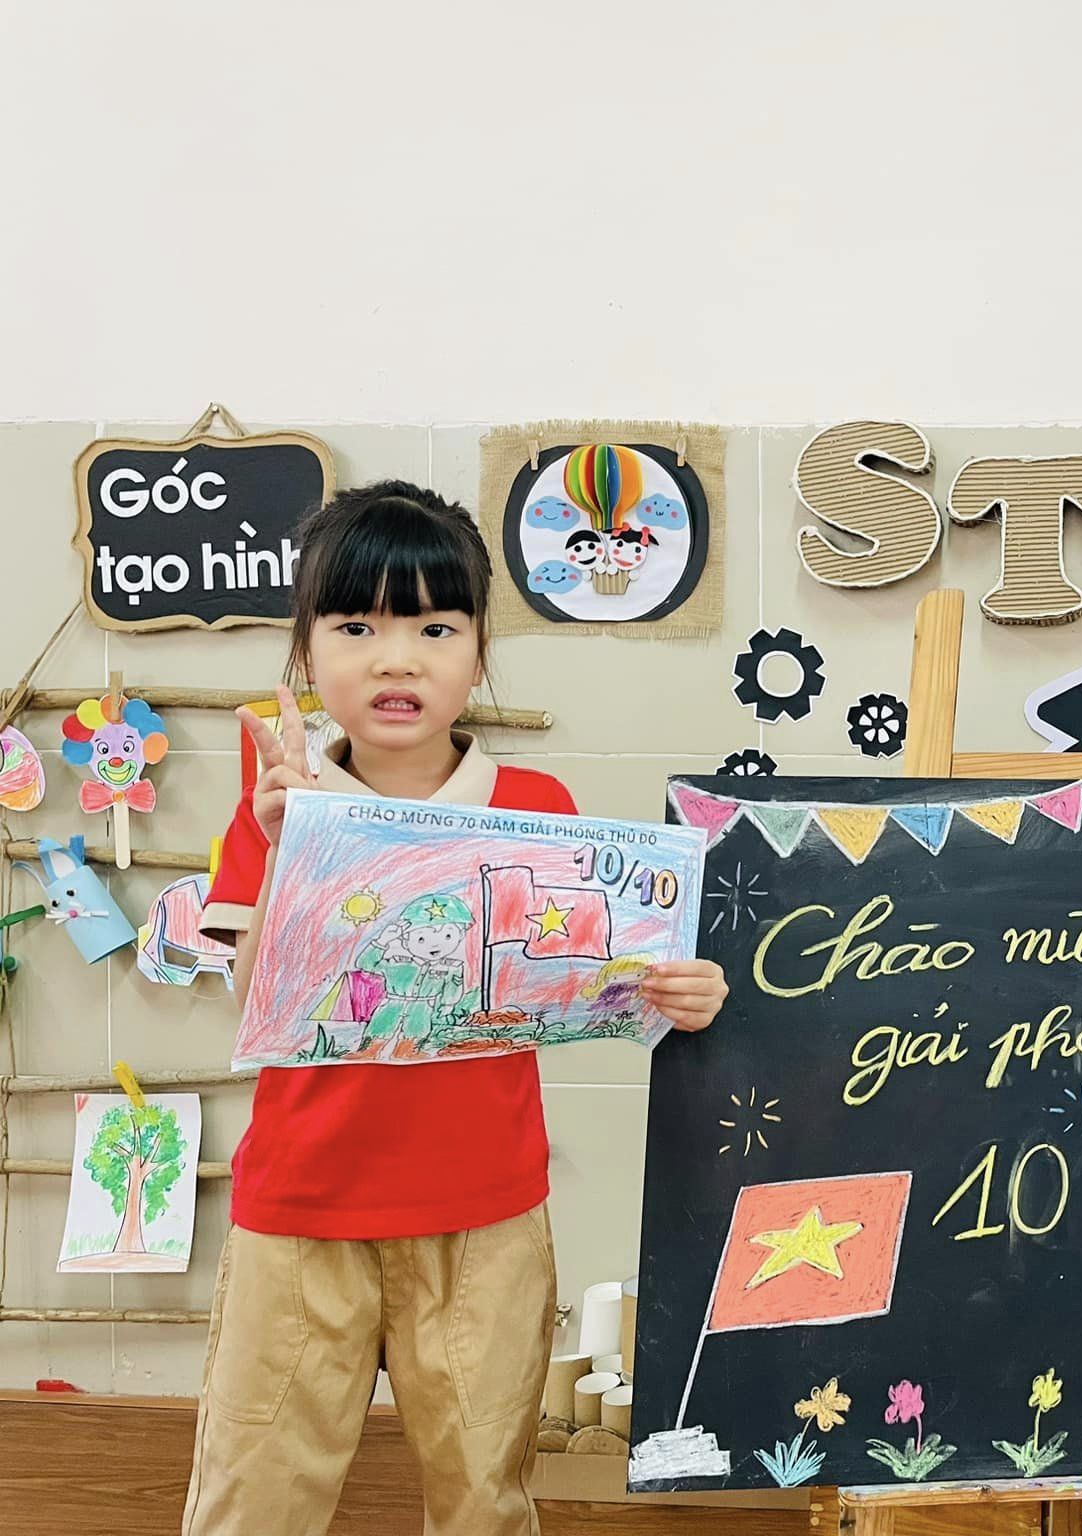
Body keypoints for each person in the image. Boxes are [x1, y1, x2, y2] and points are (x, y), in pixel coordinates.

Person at [182, 482, 729, 1536]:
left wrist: (681, 994)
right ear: (305, 654)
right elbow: (256, 1015)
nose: (397, 660)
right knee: (254, 1500)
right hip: (299, 1211)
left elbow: (602, 989)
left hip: (486, 1215)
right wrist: (293, 847)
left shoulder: (538, 810)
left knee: (484, 1501)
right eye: (357, 627)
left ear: (478, 654)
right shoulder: (276, 808)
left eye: (435, 628)